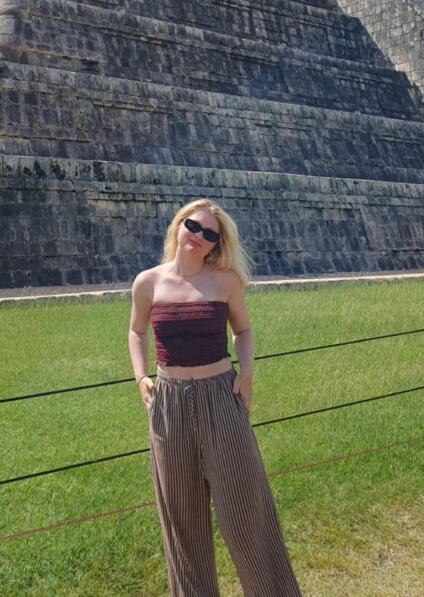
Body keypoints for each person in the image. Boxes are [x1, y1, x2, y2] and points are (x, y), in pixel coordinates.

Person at [129, 198, 303, 597]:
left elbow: (243, 332)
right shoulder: (148, 282)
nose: (199, 236)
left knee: (246, 515)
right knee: (183, 525)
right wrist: (141, 377)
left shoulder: (225, 282)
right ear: (179, 225)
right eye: (194, 226)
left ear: (216, 244)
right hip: (169, 405)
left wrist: (247, 373)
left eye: (210, 234)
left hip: (221, 399)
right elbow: (136, 331)